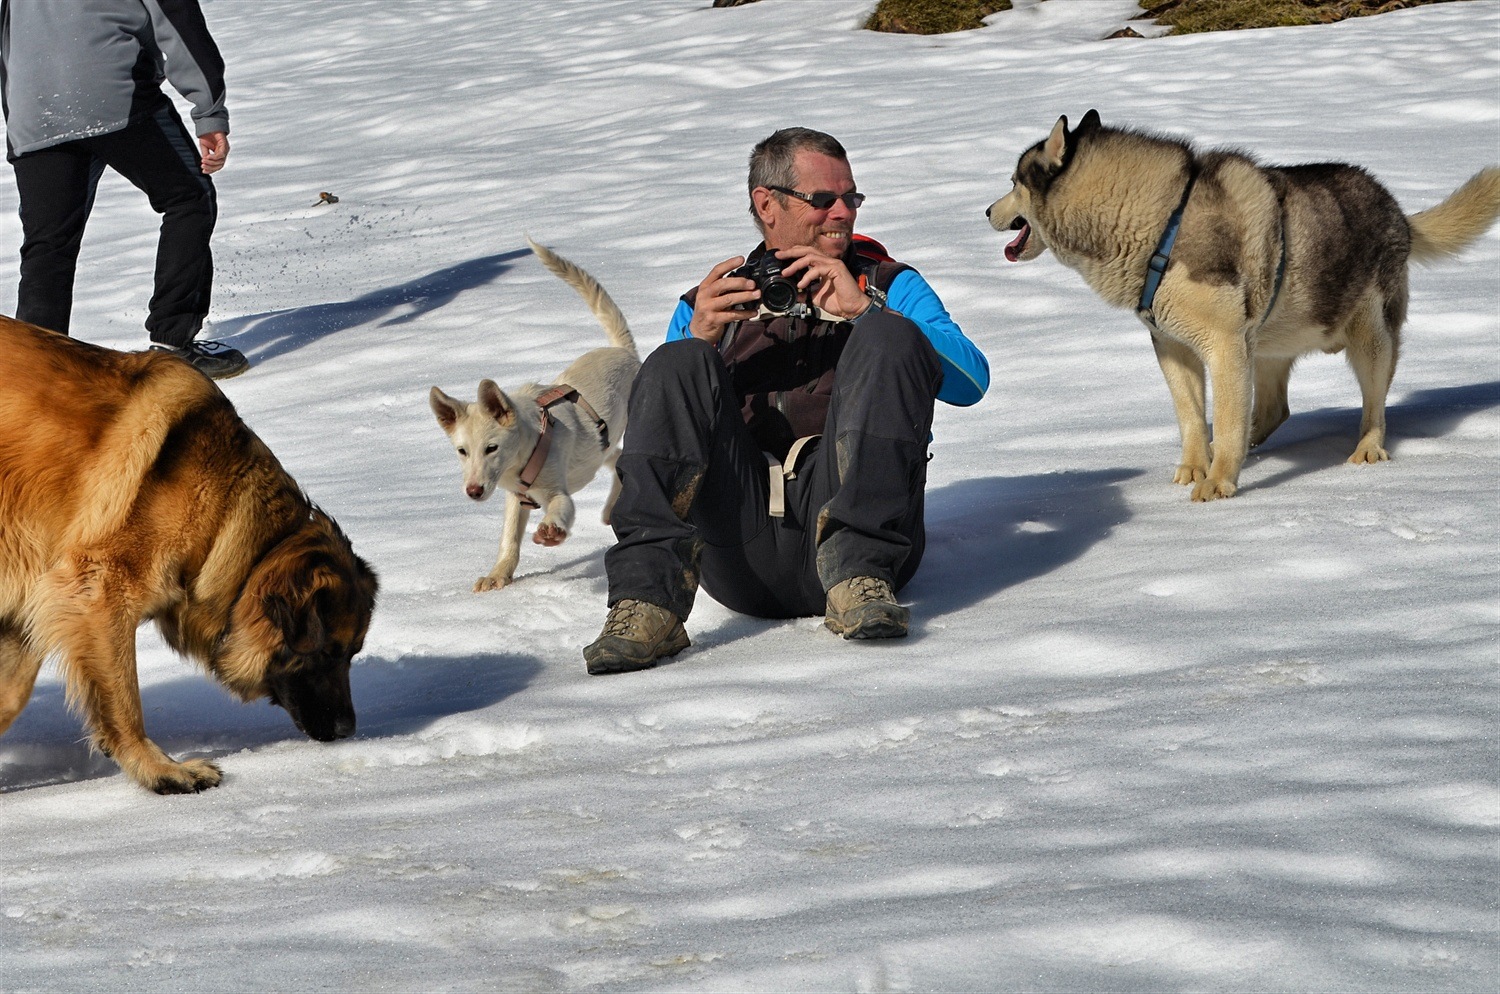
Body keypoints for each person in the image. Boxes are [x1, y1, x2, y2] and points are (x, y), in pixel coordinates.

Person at [584, 127, 990, 675]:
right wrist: (699, 335)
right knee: (674, 361)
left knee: (893, 335)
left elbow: (971, 381)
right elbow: (664, 419)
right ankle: (647, 603)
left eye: (853, 198)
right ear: (767, 204)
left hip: (871, 559)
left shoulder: (889, 284)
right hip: (740, 556)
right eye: (824, 200)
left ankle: (855, 571)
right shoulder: (715, 299)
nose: (843, 213)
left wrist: (867, 312)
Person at [0, 0, 247, 379]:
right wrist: (209, 111)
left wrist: (20, 116)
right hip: (112, 91)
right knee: (188, 198)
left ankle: (34, 371)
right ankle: (173, 344)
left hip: (33, 108)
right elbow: (177, 18)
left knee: (49, 244)